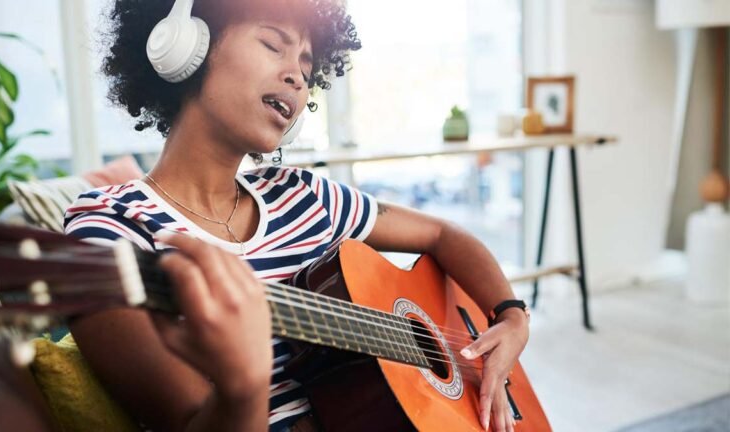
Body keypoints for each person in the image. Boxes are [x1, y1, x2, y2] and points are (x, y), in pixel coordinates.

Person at [64, 0, 530, 431]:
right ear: (188, 45)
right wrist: (242, 384)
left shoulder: (303, 195)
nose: (298, 78)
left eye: (307, 67)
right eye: (272, 45)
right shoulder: (107, 232)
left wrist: (511, 318)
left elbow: (443, 234)